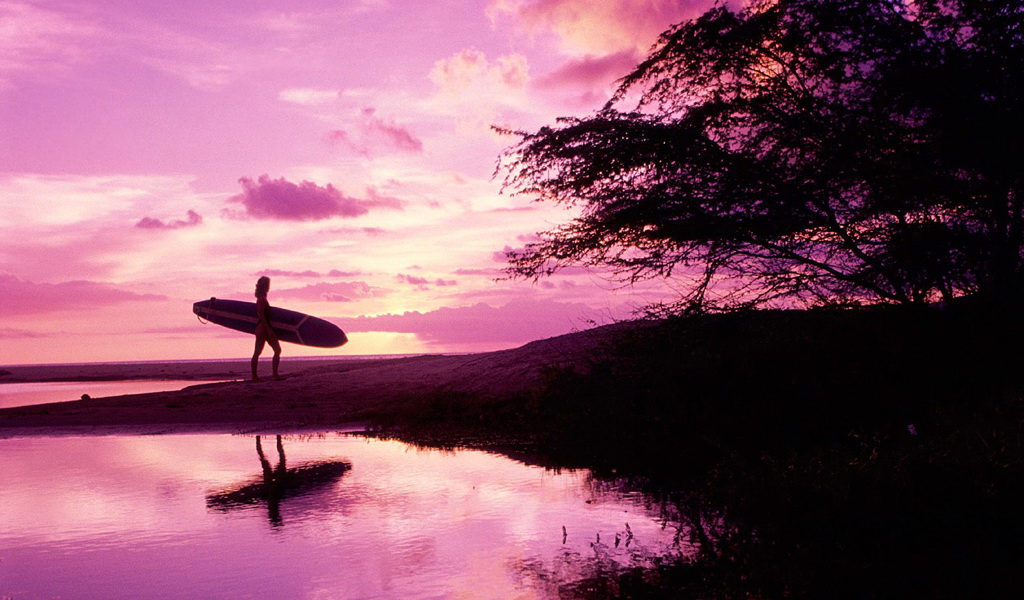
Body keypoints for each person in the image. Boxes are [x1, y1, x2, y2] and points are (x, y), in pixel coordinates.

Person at [251, 276, 282, 381]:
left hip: (262, 328)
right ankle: (272, 375)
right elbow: (261, 315)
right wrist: (268, 330)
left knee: (258, 352)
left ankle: (257, 376)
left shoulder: (262, 299)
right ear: (265, 286)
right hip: (263, 328)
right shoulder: (262, 300)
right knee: (276, 350)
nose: (269, 286)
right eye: (268, 284)